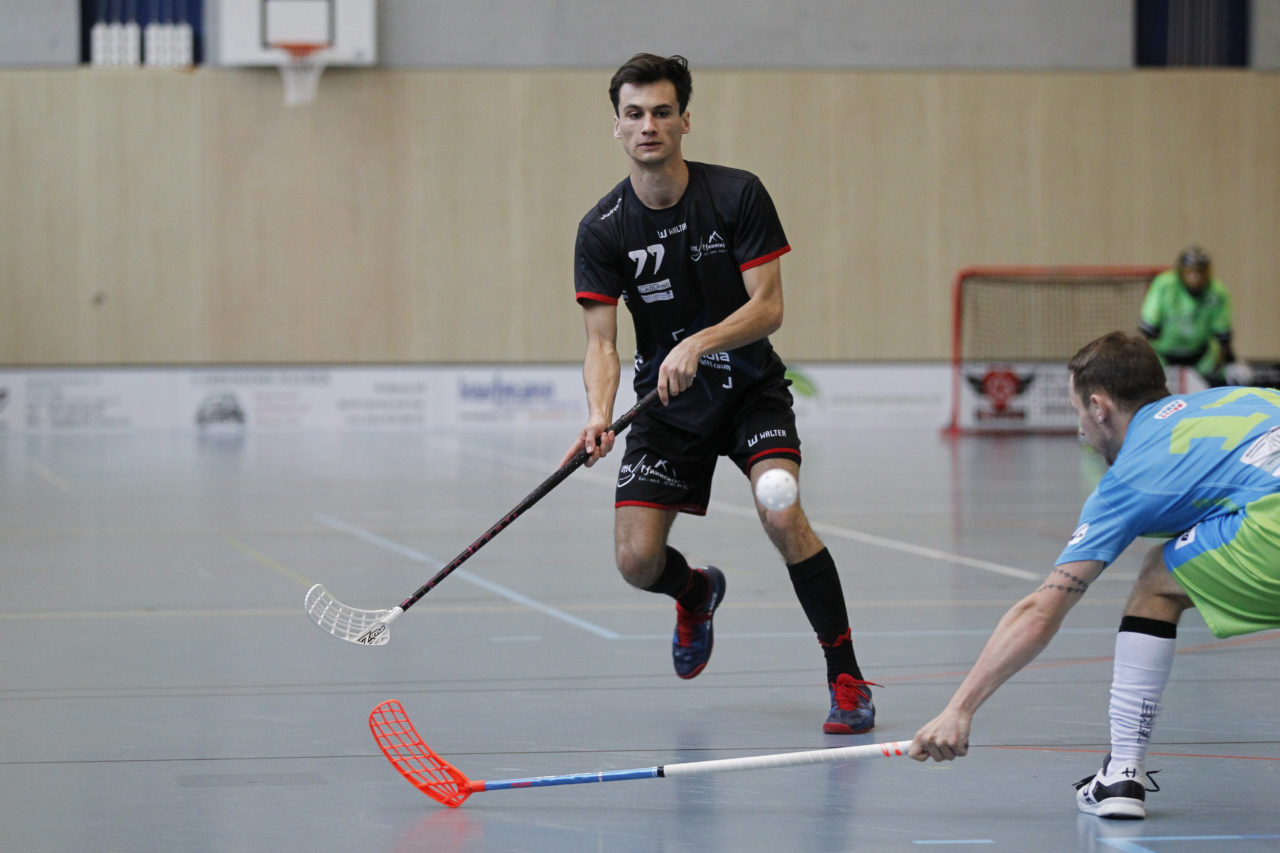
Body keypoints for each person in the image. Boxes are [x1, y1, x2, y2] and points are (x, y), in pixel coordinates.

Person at [560, 53, 876, 734]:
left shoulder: (737, 194)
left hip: (748, 391)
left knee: (780, 512)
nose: (648, 125)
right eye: (634, 114)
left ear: (685, 121)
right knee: (636, 561)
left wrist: (699, 342)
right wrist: (597, 414)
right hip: (666, 406)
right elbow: (601, 343)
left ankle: (846, 677)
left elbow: (769, 307)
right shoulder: (603, 228)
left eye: (662, 112)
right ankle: (696, 590)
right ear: (617, 126)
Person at [909, 331, 1280, 819]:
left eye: (1078, 411)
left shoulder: (1129, 479)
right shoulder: (1242, 398)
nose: (1081, 429)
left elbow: (1041, 612)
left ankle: (1122, 773)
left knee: (1157, 582)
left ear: (1099, 406)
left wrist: (958, 709)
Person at [1139, 245, 1246, 386]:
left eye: (1200, 272)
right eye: (1189, 271)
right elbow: (1148, 328)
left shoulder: (1217, 292)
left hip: (1200, 358)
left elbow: (1223, 336)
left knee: (1230, 381)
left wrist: (1230, 361)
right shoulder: (1164, 285)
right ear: (1180, 271)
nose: (1195, 277)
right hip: (1163, 357)